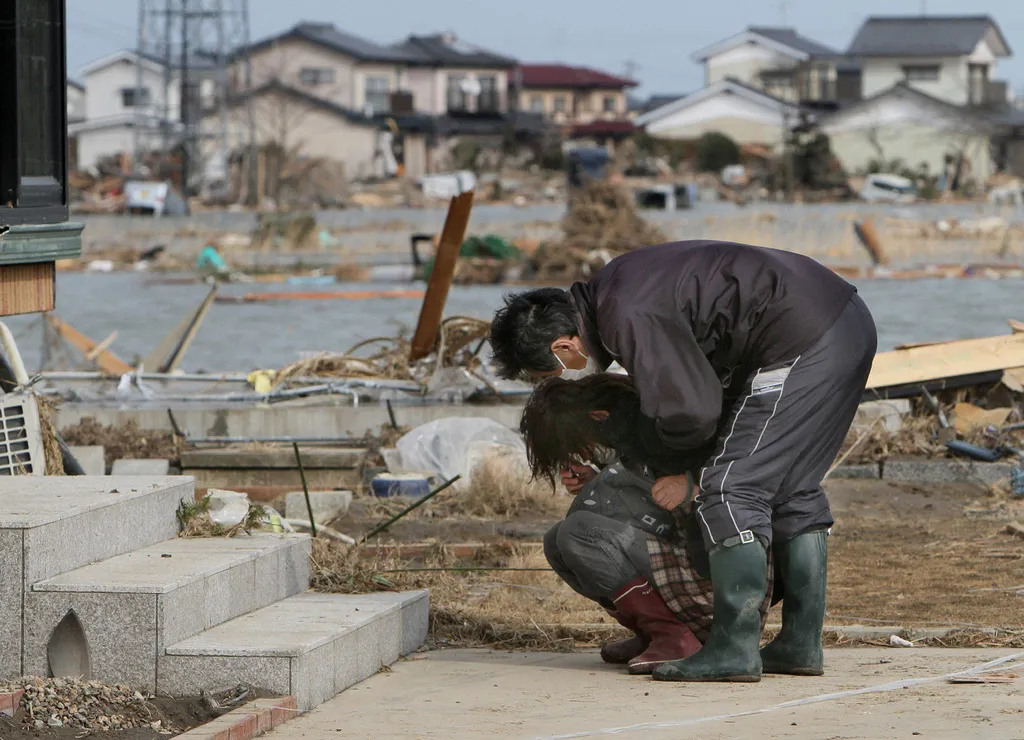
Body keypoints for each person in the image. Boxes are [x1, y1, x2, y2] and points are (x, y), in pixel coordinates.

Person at [490, 240, 877, 683]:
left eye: (554, 371)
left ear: (564, 345)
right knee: (792, 487)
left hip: (802, 337)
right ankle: (799, 643)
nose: (565, 379)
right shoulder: (618, 289)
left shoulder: (627, 314)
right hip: (841, 321)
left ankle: (733, 648)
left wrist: (689, 473)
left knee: (731, 488)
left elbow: (692, 412)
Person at [521, 373, 774, 675]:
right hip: (692, 567)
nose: (589, 451)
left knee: (578, 533)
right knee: (557, 541)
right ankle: (654, 634)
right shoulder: (636, 432)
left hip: (720, 587)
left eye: (582, 443)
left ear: (597, 417)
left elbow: (737, 481)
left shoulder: (665, 429)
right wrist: (596, 479)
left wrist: (693, 485)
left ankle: (676, 637)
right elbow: (645, 496)